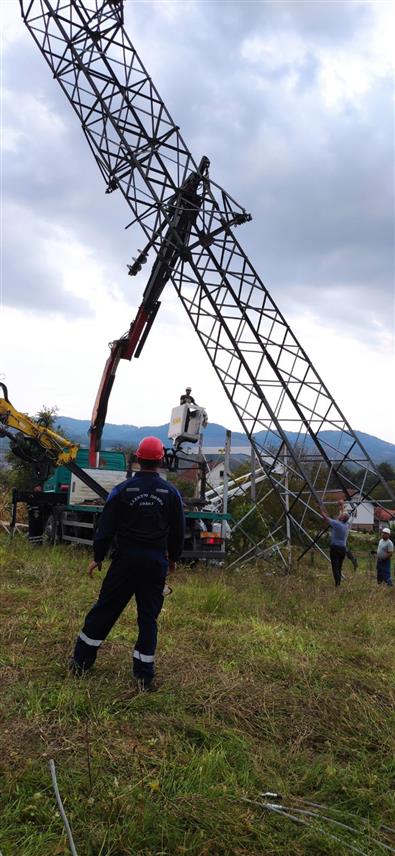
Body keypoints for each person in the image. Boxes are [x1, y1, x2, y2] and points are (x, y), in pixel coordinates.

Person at [69, 436, 185, 688]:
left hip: (125, 562)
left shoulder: (122, 491)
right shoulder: (171, 493)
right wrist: (173, 559)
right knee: (147, 619)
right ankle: (144, 676)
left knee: (105, 609)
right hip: (154, 564)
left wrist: (98, 557)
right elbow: (178, 531)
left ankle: (81, 663)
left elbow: (105, 527)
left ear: (137, 458)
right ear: (161, 460)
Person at [319, 501, 351, 587]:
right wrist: (342, 506)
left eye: (340, 515)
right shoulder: (346, 525)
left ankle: (337, 584)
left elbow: (325, 518)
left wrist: (320, 509)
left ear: (341, 519)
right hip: (342, 549)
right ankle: (338, 583)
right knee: (339, 567)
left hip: (335, 548)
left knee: (335, 567)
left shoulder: (337, 524)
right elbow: (344, 514)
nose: (339, 515)